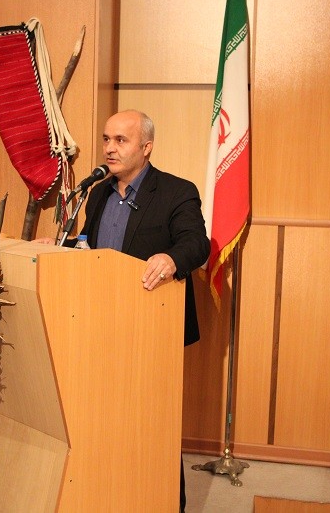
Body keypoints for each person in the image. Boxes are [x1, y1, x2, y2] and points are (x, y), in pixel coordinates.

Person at [37, 109, 210, 512]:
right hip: (102, 323)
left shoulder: (176, 191)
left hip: (153, 326)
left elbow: (196, 243)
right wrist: (61, 247)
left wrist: (171, 258)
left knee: (153, 426)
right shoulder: (99, 192)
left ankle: (168, 503)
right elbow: (91, 248)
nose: (109, 148)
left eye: (121, 140)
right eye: (106, 139)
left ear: (146, 147)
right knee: (106, 420)